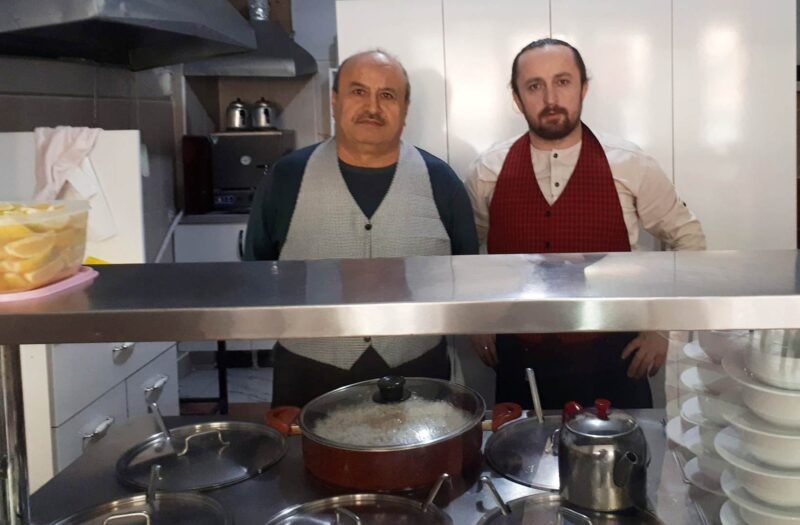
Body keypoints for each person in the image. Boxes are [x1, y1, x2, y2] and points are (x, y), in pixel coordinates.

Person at [465, 38, 706, 410]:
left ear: (584, 88)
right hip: (518, 359)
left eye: (562, 82)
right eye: (534, 86)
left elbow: (689, 239)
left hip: (614, 358)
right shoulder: (488, 170)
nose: (550, 99)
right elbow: (465, 256)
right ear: (517, 98)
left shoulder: (630, 163)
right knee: (517, 448)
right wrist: (477, 321)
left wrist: (664, 330)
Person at [245, 49, 479, 407]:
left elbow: (465, 275)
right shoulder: (287, 178)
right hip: (308, 375)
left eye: (387, 95)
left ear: (405, 109)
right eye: (358, 91)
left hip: (418, 373)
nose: (373, 107)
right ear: (334, 101)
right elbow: (258, 270)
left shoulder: (441, 181)